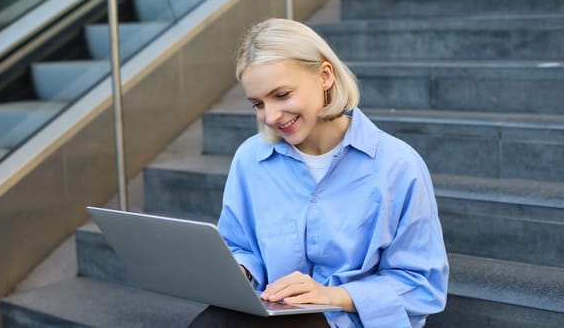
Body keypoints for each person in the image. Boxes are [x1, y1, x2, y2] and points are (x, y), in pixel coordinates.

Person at [189, 18, 449, 328]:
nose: (270, 117)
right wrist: (240, 271)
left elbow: (423, 285)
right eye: (258, 104)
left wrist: (331, 295)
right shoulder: (250, 159)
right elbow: (241, 246)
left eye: (282, 95)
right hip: (275, 315)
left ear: (325, 76)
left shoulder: (397, 165)